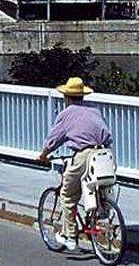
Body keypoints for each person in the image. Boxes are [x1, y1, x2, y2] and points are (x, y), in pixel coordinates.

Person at [35, 77, 113, 253]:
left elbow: (54, 139)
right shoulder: (94, 111)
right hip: (104, 154)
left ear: (67, 97)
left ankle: (70, 236)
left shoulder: (67, 113)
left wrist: (44, 155)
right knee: (99, 188)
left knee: (68, 195)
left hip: (83, 156)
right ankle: (101, 212)